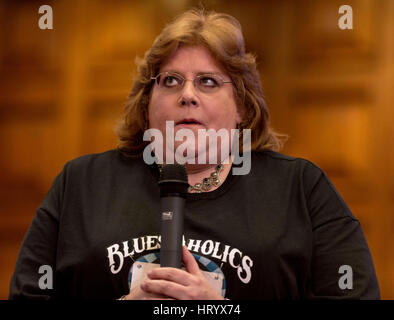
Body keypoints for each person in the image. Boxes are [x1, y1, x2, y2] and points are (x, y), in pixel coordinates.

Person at [9, 7, 380, 300]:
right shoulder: (82, 184)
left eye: (207, 81)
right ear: (147, 103)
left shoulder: (301, 187)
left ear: (242, 107)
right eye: (170, 80)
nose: (187, 94)